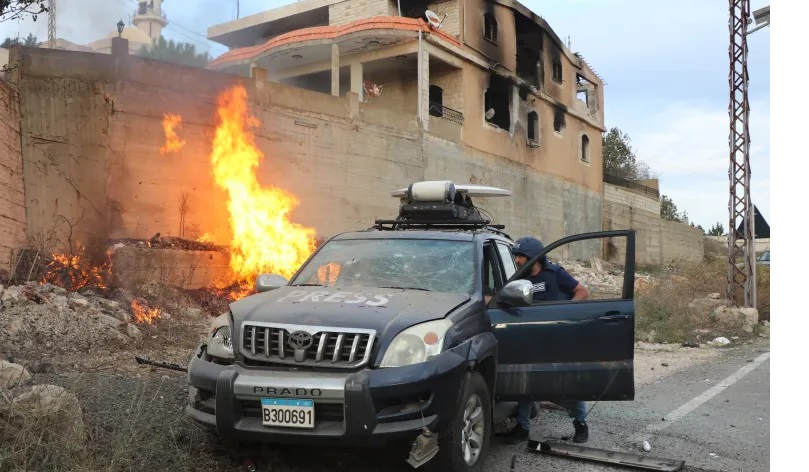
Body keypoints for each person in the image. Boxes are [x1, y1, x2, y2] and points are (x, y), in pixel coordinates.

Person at [502, 236, 591, 444]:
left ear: (534, 257)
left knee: (568, 382)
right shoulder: (519, 279)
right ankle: (522, 427)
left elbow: (582, 291)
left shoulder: (555, 273)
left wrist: (564, 311)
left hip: (557, 338)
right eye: (516, 257)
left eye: (521, 257)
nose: (517, 261)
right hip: (531, 338)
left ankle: (580, 424)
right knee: (526, 382)